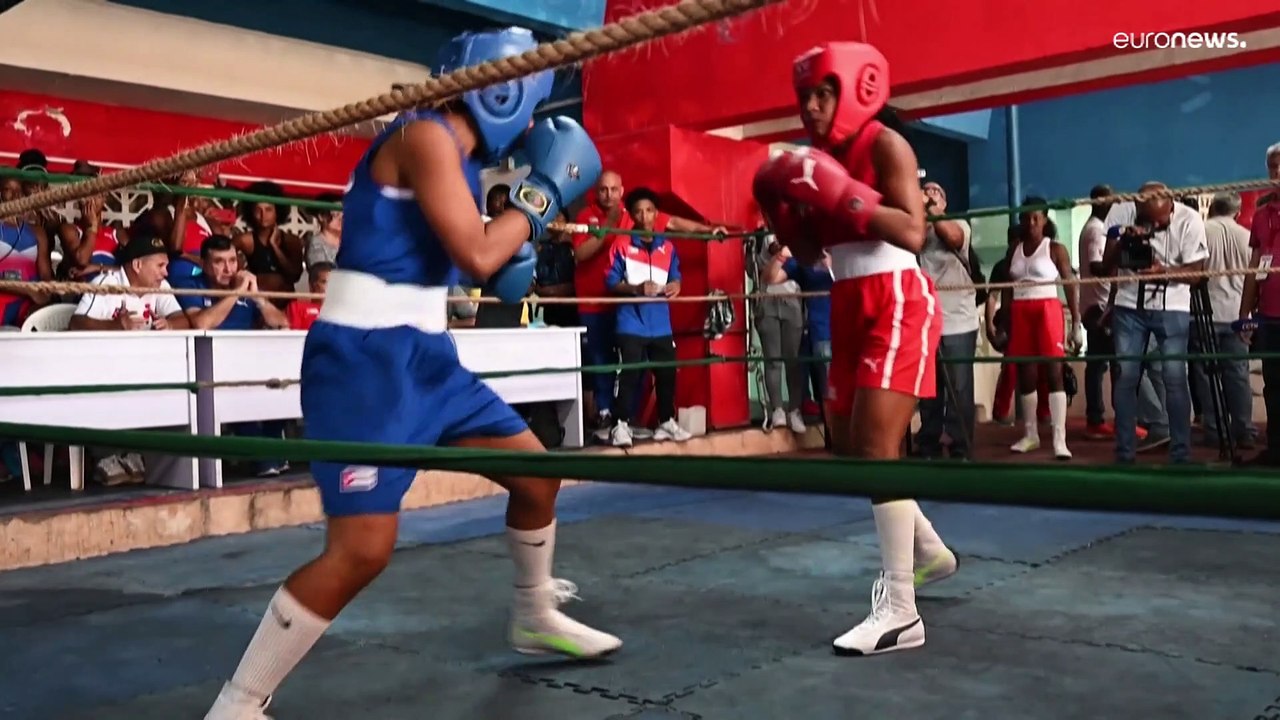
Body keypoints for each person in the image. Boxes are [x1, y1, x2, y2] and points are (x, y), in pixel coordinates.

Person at [203, 28, 621, 720]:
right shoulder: (426, 135)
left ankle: (534, 612)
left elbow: (476, 264)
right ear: (505, 89)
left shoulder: (451, 158)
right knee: (363, 551)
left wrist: (517, 227)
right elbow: (481, 255)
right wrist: (544, 193)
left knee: (537, 473)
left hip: (427, 358)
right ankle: (239, 703)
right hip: (366, 363)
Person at [751, 42, 957, 657]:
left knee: (875, 445)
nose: (812, 108)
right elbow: (812, 253)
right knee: (847, 444)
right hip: (846, 298)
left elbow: (914, 231)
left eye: (824, 94)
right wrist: (778, 203)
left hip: (897, 295)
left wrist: (844, 193)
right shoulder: (818, 160)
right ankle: (928, 551)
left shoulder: (885, 145)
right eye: (805, 97)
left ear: (855, 89)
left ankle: (901, 611)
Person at [1004, 200, 1081, 460]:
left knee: (1054, 371)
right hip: (1020, 309)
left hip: (1047, 309)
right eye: (1026, 218)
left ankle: (1060, 439)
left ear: (1045, 220)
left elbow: (1070, 284)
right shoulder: (1014, 248)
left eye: (1036, 218)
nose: (1031, 223)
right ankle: (1030, 434)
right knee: (1025, 373)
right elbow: (1006, 287)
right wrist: (1004, 321)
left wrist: (1077, 324)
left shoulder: (1055, 249)